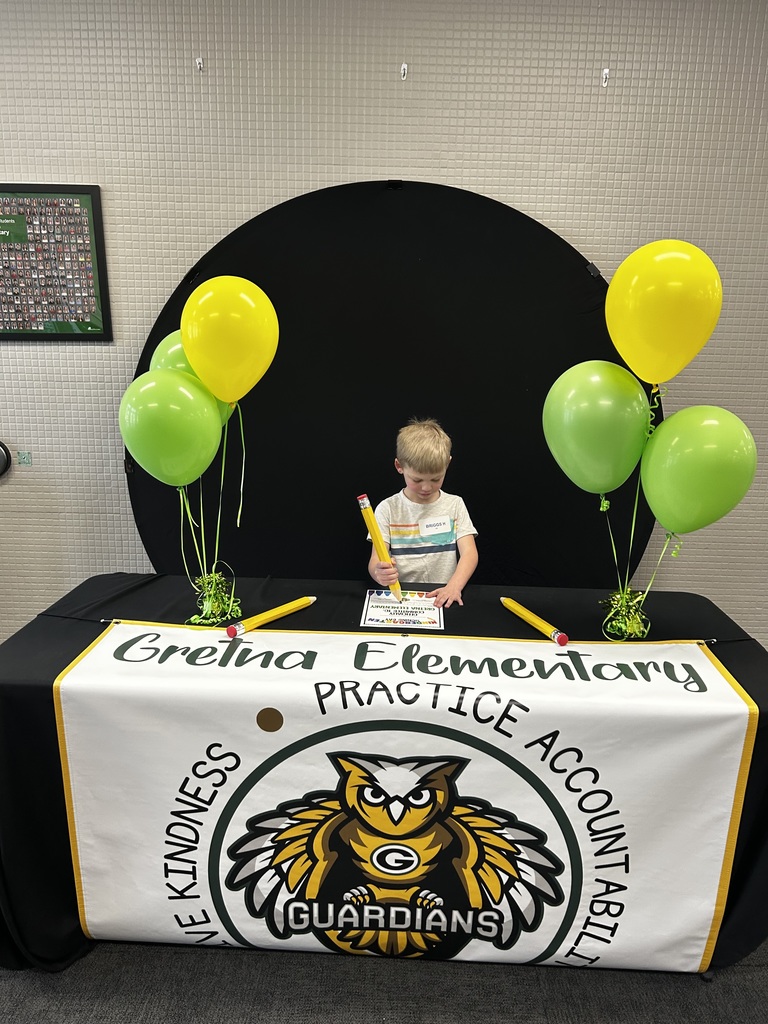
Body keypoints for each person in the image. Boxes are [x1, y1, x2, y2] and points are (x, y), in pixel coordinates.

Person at [368, 418, 478, 608]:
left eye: (436, 479)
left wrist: (454, 586)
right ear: (399, 466)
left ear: (448, 465)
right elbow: (376, 559)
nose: (426, 487)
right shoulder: (387, 508)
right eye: (417, 480)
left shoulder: (455, 504)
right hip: (402, 599)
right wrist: (379, 573)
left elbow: (469, 553)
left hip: (444, 596)